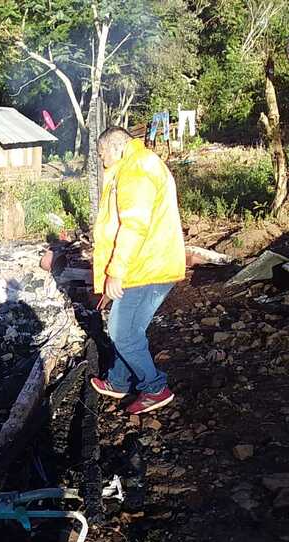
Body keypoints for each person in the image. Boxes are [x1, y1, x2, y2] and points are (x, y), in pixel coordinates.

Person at [90, 126, 186, 414]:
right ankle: (119, 381)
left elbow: (134, 225)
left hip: (145, 266)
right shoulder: (140, 163)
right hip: (151, 263)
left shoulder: (135, 170)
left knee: (121, 332)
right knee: (131, 328)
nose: (102, 161)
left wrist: (116, 271)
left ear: (115, 147)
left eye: (101, 154)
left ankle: (154, 388)